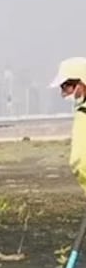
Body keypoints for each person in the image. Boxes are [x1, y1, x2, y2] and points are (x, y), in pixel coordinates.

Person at [50, 57, 86, 190]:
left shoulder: (83, 112)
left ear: (81, 84)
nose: (63, 93)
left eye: (66, 86)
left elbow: (80, 161)